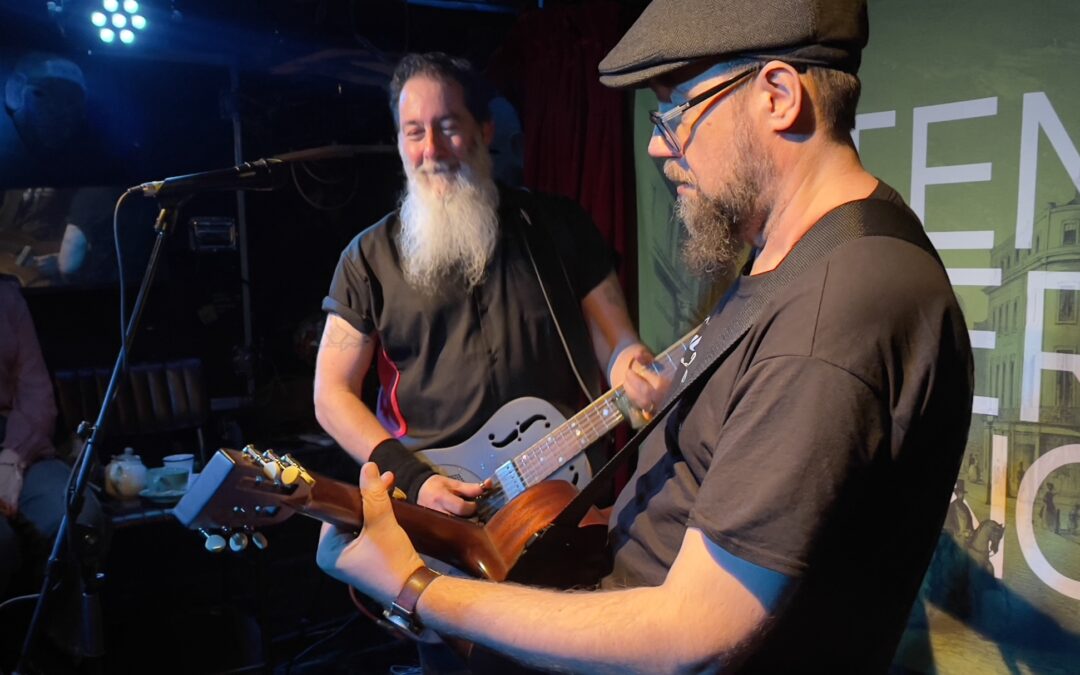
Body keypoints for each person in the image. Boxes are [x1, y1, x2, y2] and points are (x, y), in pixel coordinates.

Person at [316, 1, 975, 672]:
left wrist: (419, 588)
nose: (659, 143)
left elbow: (694, 630)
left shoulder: (833, 309)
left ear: (777, 96)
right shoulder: (802, 262)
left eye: (676, 109)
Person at [313, 52, 659, 517]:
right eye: (414, 132)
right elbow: (330, 394)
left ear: (485, 130)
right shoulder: (366, 258)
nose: (432, 149)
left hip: (557, 494)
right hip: (432, 505)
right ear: (399, 143)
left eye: (448, 127)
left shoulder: (559, 226)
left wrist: (636, 372)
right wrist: (415, 480)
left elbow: (619, 347)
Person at [0, 275, 100, 598]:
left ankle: (53, 625)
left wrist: (12, 460)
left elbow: (35, 394)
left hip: (14, 440)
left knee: (77, 517)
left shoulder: (6, 298)